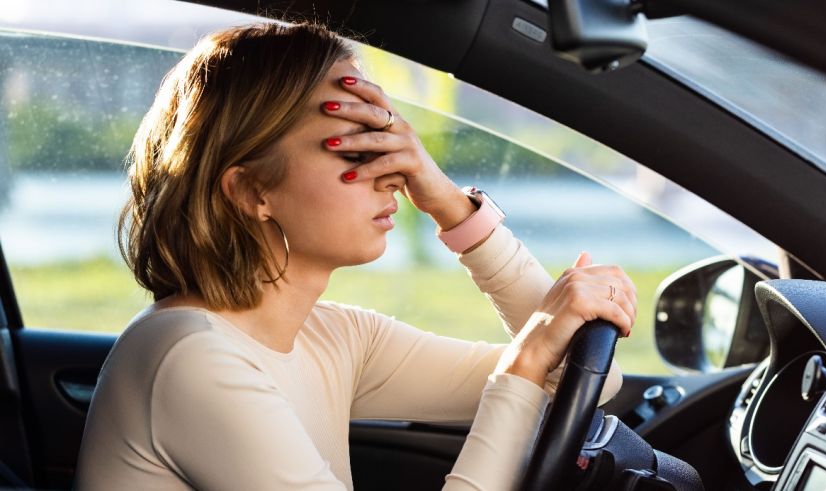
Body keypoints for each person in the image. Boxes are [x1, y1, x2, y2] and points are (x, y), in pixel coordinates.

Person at [75, 22, 637, 490]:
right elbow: (539, 368)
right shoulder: (189, 359)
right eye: (356, 145)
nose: (393, 173)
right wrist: (527, 353)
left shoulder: (333, 337)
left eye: (389, 139)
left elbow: (588, 380)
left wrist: (447, 201)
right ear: (252, 192)